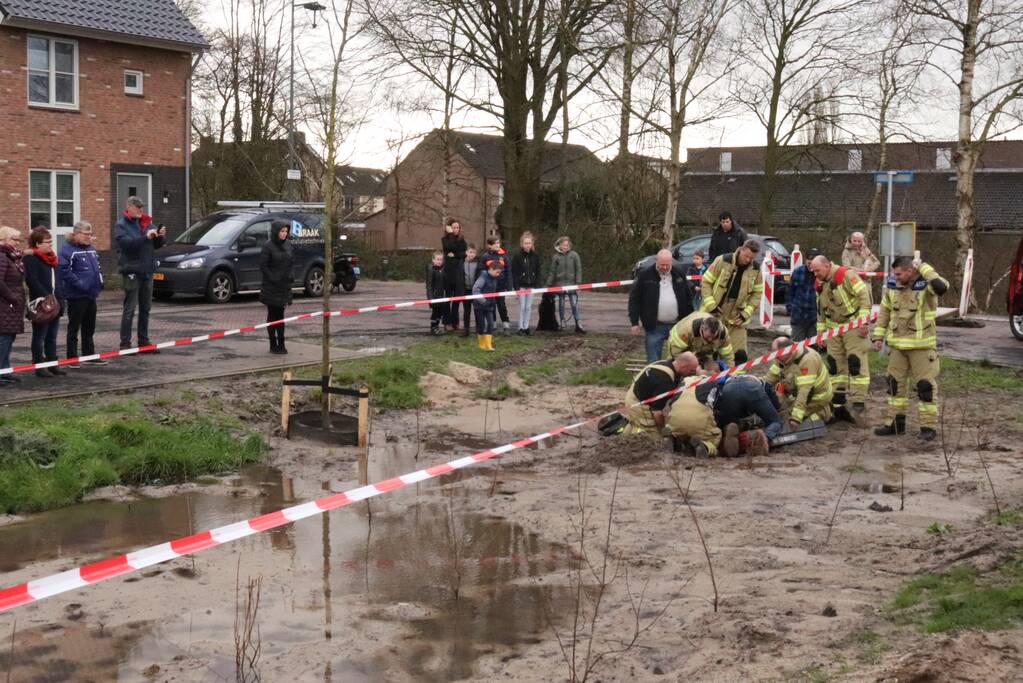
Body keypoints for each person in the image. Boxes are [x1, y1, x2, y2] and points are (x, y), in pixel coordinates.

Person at [872, 255, 949, 442]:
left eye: (899, 274)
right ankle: (895, 424)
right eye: (895, 274)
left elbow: (942, 287)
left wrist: (923, 266)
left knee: (925, 387)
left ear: (910, 270)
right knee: (894, 386)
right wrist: (878, 335)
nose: (896, 277)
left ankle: (928, 427)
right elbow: (885, 311)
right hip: (898, 346)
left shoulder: (927, 284)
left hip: (922, 347)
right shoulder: (892, 285)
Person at [809, 254, 871, 421]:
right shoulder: (820, 284)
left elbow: (864, 296)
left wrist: (863, 321)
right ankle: (838, 402)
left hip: (853, 325)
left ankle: (858, 401)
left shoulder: (846, 275)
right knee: (835, 366)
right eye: (813, 272)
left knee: (855, 362)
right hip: (833, 329)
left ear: (827, 265)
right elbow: (820, 310)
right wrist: (821, 332)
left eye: (817, 270)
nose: (815, 274)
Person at [666, 373, 770, 458]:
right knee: (716, 438)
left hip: (675, 421)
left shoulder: (683, 382)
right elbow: (719, 408)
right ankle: (707, 447)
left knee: (677, 430)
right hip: (700, 422)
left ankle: (673, 440)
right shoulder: (712, 384)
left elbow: (670, 404)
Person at [114, 195, 165, 351]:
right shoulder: (121, 225)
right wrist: (145, 237)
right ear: (128, 207)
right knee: (130, 308)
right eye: (137, 207)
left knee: (146, 308)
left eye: (142, 207)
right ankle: (125, 343)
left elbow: (155, 245)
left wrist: (160, 236)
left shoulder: (147, 223)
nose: (140, 210)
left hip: (147, 271)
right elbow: (126, 246)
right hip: (132, 271)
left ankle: (143, 341)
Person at [699, 239, 763, 363]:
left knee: (739, 356)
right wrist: (711, 304)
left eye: (752, 258)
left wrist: (746, 314)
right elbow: (706, 282)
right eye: (747, 256)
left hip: (737, 318)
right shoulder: (722, 260)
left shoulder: (756, 269)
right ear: (741, 250)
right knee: (708, 352)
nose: (748, 260)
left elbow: (757, 293)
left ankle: (736, 380)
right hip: (714, 313)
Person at [628, 249, 693, 362]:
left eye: (667, 265)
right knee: (653, 361)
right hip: (654, 326)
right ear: (656, 261)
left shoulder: (679, 273)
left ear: (671, 262)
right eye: (662, 265)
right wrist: (634, 322)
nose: (664, 268)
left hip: (678, 325)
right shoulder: (645, 275)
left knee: (679, 359)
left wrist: (691, 319)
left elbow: (687, 297)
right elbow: (634, 299)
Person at [59, 221, 106, 367]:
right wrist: (80, 284)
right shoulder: (67, 250)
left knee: (89, 327)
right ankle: (72, 358)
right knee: (74, 327)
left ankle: (89, 355)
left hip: (91, 294)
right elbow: (64, 271)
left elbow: (97, 267)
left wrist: (100, 281)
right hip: (76, 295)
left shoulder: (91, 248)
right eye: (86, 234)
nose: (89, 237)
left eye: (90, 234)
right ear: (76, 234)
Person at [22, 228, 66, 378]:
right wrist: (46, 296)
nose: (50, 245)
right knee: (39, 335)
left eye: (50, 242)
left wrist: (59, 298)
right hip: (42, 303)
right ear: (37, 244)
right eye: (47, 242)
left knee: (52, 336)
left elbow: (57, 281)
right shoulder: (31, 259)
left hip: (55, 302)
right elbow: (32, 281)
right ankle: (39, 364)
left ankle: (52, 363)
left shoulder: (52, 258)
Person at [622, 351, 699, 434]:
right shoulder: (665, 381)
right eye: (691, 371)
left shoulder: (663, 363)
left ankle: (624, 438)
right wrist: (662, 430)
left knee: (635, 423)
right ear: (683, 366)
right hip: (639, 405)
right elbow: (657, 412)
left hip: (632, 396)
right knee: (653, 433)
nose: (692, 374)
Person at [764, 336, 834, 427]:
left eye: (778, 355)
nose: (776, 358)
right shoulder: (781, 358)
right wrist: (756, 383)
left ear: (788, 351)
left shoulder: (808, 360)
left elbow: (804, 392)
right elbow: (770, 378)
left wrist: (796, 418)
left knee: (788, 421)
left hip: (816, 398)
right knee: (777, 414)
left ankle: (826, 411)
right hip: (797, 394)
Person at [712, 374, 783, 448]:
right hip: (753, 387)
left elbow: (719, 403)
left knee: (730, 423)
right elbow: (776, 406)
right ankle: (765, 437)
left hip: (729, 389)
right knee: (775, 421)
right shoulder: (762, 382)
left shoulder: (724, 381)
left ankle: (729, 428)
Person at [259, 219, 294, 355]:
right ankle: (273, 344)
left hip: (284, 285)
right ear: (276, 232)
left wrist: (291, 276)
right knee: (273, 314)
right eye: (282, 231)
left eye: (286, 231)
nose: (284, 234)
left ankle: (282, 343)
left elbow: (292, 262)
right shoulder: (268, 246)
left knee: (281, 315)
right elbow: (263, 265)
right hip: (271, 286)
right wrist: (272, 277)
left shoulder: (289, 245)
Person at [0, 226, 26, 385]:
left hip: (12, 306)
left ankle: (6, 369)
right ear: (2, 239)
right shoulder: (2, 257)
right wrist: (12, 298)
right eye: (13, 239)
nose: (17, 242)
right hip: (5, 305)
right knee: (3, 339)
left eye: (18, 239)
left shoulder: (13, 257)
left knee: (9, 338)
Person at [665, 310, 734, 369]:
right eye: (707, 337)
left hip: (703, 351)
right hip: (680, 348)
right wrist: (692, 366)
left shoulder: (723, 335)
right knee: (679, 368)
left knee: (710, 368)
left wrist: (730, 372)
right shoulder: (685, 331)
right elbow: (676, 353)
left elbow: (727, 355)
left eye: (713, 338)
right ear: (702, 328)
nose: (710, 340)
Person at [546, 235, 584, 333]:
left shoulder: (574, 255)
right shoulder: (556, 257)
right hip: (560, 284)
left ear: (569, 245)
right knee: (561, 304)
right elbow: (552, 272)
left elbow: (578, 270)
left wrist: (578, 283)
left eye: (567, 245)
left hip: (572, 284)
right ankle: (562, 321)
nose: (565, 247)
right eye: (563, 245)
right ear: (560, 245)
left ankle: (578, 323)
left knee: (574, 304)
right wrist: (548, 284)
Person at [510, 231, 542, 335]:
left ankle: (526, 326)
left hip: (531, 285)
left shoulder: (536, 256)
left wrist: (537, 283)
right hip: (521, 285)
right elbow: (514, 272)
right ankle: (520, 327)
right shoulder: (517, 256)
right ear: (522, 244)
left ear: (532, 244)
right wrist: (516, 287)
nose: (527, 245)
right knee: (522, 306)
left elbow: (538, 270)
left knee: (528, 307)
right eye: (525, 243)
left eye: (529, 243)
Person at [481, 236, 512, 334]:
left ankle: (506, 325)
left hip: (501, 286)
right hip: (489, 287)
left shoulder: (504, 256)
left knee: (501, 305)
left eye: (499, 243)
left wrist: (509, 285)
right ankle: (492, 325)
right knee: (491, 305)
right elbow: (482, 271)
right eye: (495, 243)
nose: (498, 245)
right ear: (490, 245)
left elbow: (508, 272)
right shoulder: (485, 257)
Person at [472, 258, 504, 351]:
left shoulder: (494, 278)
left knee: (490, 323)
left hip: (489, 305)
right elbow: (475, 290)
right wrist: (484, 301)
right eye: (497, 272)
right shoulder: (483, 277)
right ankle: (481, 344)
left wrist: (491, 301)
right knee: (482, 324)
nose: (498, 275)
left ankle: (488, 345)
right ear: (491, 269)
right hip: (479, 305)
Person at [441, 218, 467, 331]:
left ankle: (455, 321)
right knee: (447, 298)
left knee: (457, 299)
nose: (456, 229)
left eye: (457, 228)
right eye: (454, 227)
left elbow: (463, 253)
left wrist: (455, 254)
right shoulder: (445, 239)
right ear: (449, 228)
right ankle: (447, 322)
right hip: (448, 272)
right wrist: (451, 234)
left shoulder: (462, 240)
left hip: (458, 273)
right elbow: (449, 247)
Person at [785, 256, 818, 342]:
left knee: (814, 346)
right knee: (796, 348)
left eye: (812, 260)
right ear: (805, 260)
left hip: (815, 318)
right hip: (798, 317)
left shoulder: (821, 274)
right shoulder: (798, 272)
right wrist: (790, 309)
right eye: (808, 260)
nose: (810, 262)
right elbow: (790, 291)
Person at [460, 244, 480, 337]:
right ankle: (466, 329)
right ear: (466, 252)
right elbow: (460, 277)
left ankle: (478, 329)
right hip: (466, 290)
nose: (472, 254)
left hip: (475, 291)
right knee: (466, 311)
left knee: (477, 310)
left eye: (474, 253)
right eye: (470, 252)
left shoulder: (478, 263)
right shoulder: (462, 263)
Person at [426, 250, 447, 335]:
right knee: (435, 312)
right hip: (434, 296)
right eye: (437, 259)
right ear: (433, 260)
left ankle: (437, 327)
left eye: (441, 260)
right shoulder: (431, 270)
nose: (439, 261)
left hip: (441, 295)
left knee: (440, 312)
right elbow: (429, 286)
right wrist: (430, 298)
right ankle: (433, 327)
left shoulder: (442, 269)